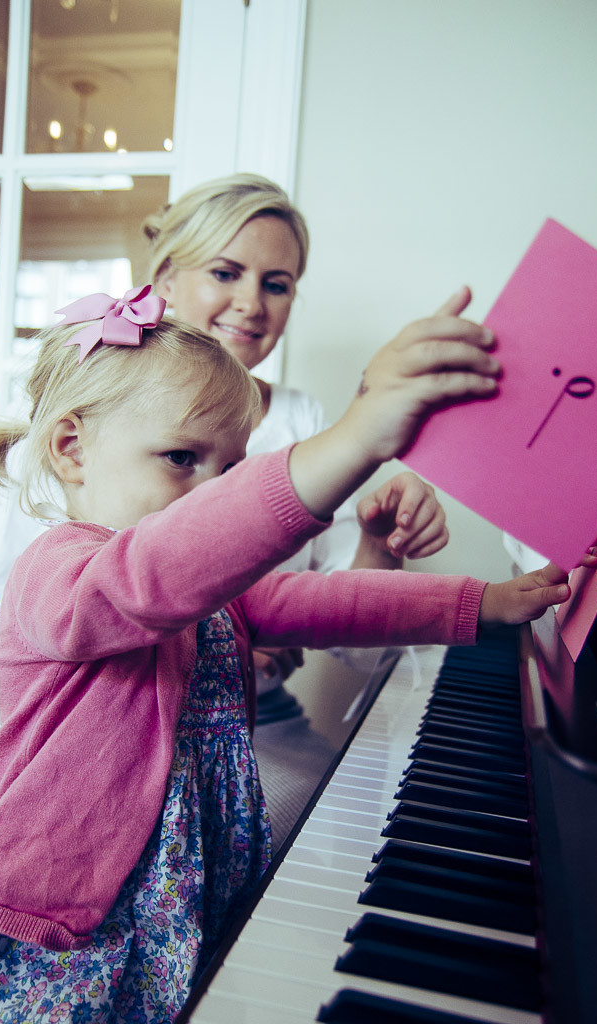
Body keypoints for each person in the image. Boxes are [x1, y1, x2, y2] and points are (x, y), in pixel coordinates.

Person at [0, 283, 573, 1021]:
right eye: (180, 458)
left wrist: (481, 603)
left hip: (175, 892)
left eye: (228, 469)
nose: (209, 491)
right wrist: (356, 436)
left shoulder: (208, 594)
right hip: (65, 924)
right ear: (72, 448)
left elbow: (327, 602)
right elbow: (156, 573)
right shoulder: (59, 574)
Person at [142, 172, 450, 705]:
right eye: (225, 272)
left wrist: (379, 543)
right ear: (166, 279)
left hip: (263, 720)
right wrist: (233, 644)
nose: (251, 302)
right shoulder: (103, 400)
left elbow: (358, 648)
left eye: (276, 284)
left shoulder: (300, 419)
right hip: (129, 724)